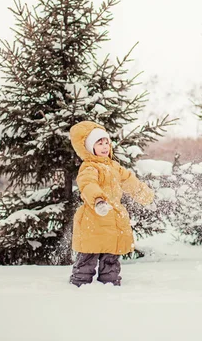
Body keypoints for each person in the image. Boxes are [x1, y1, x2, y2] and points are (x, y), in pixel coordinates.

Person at [68, 121, 155, 286]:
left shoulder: (115, 167)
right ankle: (79, 284)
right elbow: (87, 185)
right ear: (89, 147)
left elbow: (131, 182)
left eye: (106, 142)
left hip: (113, 218)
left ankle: (110, 283)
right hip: (93, 218)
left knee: (111, 256)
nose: (104, 146)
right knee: (88, 254)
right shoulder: (89, 167)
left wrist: (146, 197)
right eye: (99, 143)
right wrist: (98, 200)